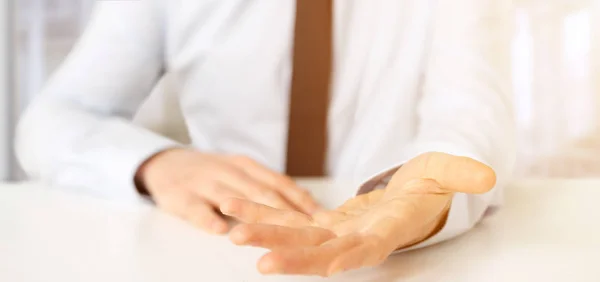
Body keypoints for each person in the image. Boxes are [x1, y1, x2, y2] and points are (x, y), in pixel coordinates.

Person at [16, 0, 515, 277]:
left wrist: (422, 201)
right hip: (217, 251)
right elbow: (52, 119)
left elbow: (471, 117)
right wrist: (158, 163)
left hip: (395, 260)